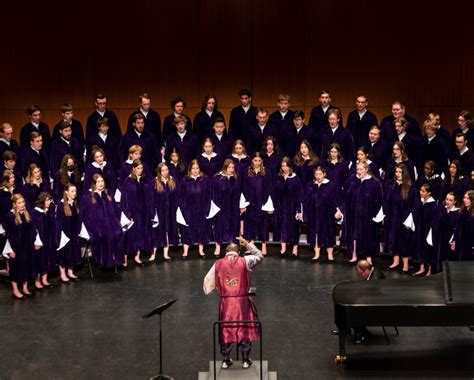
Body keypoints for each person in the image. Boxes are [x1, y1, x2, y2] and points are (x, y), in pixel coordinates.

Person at [203, 236, 263, 369]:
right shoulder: (245, 260)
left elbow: (207, 284)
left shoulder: (218, 263)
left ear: (225, 252)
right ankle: (246, 360)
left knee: (226, 329)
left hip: (226, 303)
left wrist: (220, 290)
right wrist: (248, 244)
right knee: (244, 328)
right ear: (239, 252)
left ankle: (225, 360)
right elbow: (260, 255)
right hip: (242, 302)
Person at [342, 161, 384, 264]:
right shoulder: (352, 180)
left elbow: (379, 200)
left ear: (366, 169)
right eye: (357, 169)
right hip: (353, 213)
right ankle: (354, 254)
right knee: (353, 234)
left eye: (361, 169)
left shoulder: (374, 183)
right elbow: (345, 194)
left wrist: (376, 215)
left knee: (367, 235)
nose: (359, 172)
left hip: (367, 215)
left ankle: (368, 257)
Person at [81, 174, 124, 268]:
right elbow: (86, 215)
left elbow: (115, 210)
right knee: (104, 235)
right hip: (95, 224)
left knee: (118, 232)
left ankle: (116, 259)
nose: (101, 184)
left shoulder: (107, 193)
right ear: (94, 184)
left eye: (102, 181)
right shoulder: (88, 196)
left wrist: (117, 222)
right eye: (98, 182)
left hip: (110, 222)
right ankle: (105, 261)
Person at [3, 194, 41, 299]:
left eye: (23, 202)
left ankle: (25, 288)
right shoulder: (10, 216)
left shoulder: (26, 213)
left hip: (26, 245)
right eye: (19, 203)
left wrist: (35, 242)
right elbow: (8, 234)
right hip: (16, 247)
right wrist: (10, 250)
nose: (22, 204)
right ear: (14, 204)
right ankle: (15, 290)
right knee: (15, 268)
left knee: (26, 266)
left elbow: (32, 229)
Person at [384, 164, 417, 273]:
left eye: (400, 172)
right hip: (394, 217)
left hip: (404, 218)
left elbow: (413, 205)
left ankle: (405, 265)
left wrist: (409, 219)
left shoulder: (410, 188)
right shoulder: (393, 186)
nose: (397, 174)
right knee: (394, 239)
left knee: (404, 241)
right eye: (396, 172)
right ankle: (396, 261)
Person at [121, 160, 155, 266]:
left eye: (141, 168)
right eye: (138, 168)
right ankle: (125, 260)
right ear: (134, 168)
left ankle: (137, 256)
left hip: (144, 212)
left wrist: (151, 210)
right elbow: (124, 199)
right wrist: (128, 214)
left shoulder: (145, 180)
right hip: (133, 212)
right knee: (130, 235)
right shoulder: (128, 181)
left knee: (141, 234)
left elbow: (150, 196)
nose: (140, 170)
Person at [303, 166, 340, 262]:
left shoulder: (330, 185)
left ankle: (330, 255)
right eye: (316, 174)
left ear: (324, 174)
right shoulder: (311, 185)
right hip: (313, 214)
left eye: (320, 174)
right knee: (315, 233)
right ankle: (317, 254)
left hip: (327, 213)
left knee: (328, 233)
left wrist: (337, 210)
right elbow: (306, 199)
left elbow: (335, 199)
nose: (318, 176)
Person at [240, 152, 274, 255]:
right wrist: (243, 204)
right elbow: (243, 187)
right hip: (250, 201)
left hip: (262, 200)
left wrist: (268, 203)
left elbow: (269, 187)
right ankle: (251, 244)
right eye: (255, 160)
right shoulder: (246, 171)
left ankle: (263, 244)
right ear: (252, 161)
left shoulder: (266, 172)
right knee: (250, 222)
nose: (257, 163)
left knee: (263, 222)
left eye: (259, 161)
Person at [178, 159, 211, 259]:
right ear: (190, 169)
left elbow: (208, 195)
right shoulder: (185, 180)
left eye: (197, 168)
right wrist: (184, 210)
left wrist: (207, 208)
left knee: (202, 229)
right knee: (187, 229)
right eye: (193, 168)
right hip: (189, 208)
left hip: (201, 208)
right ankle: (185, 252)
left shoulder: (205, 180)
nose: (195, 170)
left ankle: (201, 250)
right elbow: (181, 197)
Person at [274, 157, 303, 257]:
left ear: (290, 166)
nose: (284, 168)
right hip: (282, 207)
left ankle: (295, 249)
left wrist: (299, 210)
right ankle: (283, 248)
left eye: (286, 166)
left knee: (294, 228)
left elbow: (299, 195)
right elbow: (276, 193)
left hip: (292, 207)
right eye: (282, 166)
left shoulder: (295, 179)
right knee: (283, 227)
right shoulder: (279, 177)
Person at [210, 159, 240, 256]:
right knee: (219, 226)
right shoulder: (217, 178)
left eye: (232, 167)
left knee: (233, 226)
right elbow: (213, 192)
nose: (231, 169)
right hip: (221, 206)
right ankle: (218, 246)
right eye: (229, 167)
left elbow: (238, 193)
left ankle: (232, 247)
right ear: (225, 167)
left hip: (233, 206)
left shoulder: (235, 178)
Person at [352, 260, 386, 343]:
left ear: (366, 270)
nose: (361, 275)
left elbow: (373, 296)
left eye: (361, 273)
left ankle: (364, 333)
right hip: (375, 300)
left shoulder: (375, 279)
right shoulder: (373, 271)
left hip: (379, 306)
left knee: (351, 312)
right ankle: (348, 330)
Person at [151, 163, 179, 261]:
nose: (165, 172)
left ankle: (165, 254)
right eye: (163, 170)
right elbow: (152, 198)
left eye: (166, 170)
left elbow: (176, 196)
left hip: (170, 210)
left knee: (167, 231)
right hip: (159, 210)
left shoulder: (172, 180)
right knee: (156, 231)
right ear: (159, 171)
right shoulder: (155, 182)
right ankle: (153, 254)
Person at [56, 183, 82, 283]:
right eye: (72, 191)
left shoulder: (75, 203)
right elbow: (58, 223)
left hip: (74, 232)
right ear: (66, 192)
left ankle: (70, 272)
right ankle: (63, 274)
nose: (74, 193)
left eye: (75, 191)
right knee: (64, 253)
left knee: (73, 252)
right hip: (65, 234)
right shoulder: (61, 205)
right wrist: (60, 236)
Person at [413, 183, 441, 276]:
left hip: (428, 230)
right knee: (420, 248)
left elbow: (433, 220)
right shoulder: (420, 202)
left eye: (423, 191)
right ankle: (422, 267)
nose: (421, 193)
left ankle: (429, 270)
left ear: (429, 193)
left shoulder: (433, 206)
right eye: (420, 190)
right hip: (420, 229)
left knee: (428, 250)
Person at [31, 192, 56, 289]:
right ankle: (37, 280)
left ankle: (45, 279)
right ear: (42, 201)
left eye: (50, 200)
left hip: (48, 239)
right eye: (47, 200)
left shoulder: (48, 211)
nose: (49, 202)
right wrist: (37, 241)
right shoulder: (35, 213)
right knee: (39, 260)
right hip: (39, 241)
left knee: (47, 258)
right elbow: (33, 229)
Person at [452, 190, 474, 261]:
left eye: (468, 198)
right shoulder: (462, 211)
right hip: (460, 243)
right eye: (464, 197)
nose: (465, 200)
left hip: (469, 245)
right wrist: (454, 240)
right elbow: (457, 227)